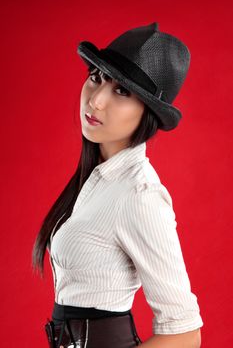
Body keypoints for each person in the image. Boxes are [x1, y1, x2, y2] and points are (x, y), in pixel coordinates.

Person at [32, 21, 204, 348]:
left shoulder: (139, 194)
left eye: (121, 91)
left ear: (147, 113)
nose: (96, 101)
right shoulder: (98, 179)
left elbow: (185, 334)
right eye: (96, 78)